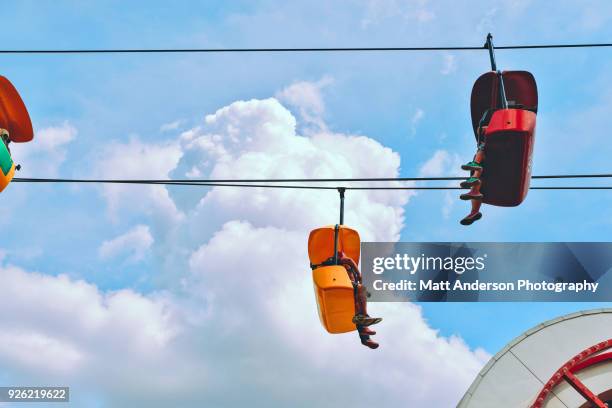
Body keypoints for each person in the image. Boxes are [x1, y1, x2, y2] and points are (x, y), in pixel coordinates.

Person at [338, 252, 382, 349]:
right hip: (344, 286)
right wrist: (359, 274)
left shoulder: (347, 267)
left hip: (350, 289)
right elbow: (348, 260)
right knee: (361, 289)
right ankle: (365, 318)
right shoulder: (340, 259)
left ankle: (365, 338)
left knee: (358, 308)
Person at [460, 126, 487, 225]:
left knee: (481, 151)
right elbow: (480, 130)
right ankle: (474, 211)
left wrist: (483, 129)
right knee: (477, 178)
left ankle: (476, 165)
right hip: (487, 167)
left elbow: (484, 129)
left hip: (491, 153)